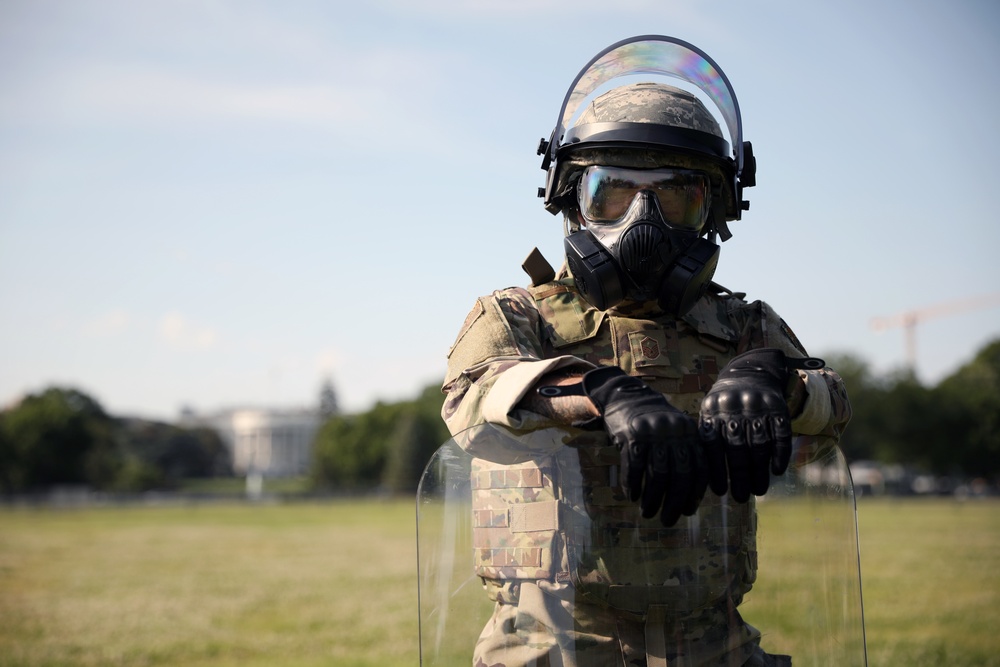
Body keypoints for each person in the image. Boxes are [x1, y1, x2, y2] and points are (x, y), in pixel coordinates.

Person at [440, 35, 851, 667]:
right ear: (569, 197)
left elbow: (833, 410)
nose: (643, 222)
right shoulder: (518, 316)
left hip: (714, 644)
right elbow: (472, 397)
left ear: (716, 208)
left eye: (676, 197)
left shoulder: (743, 324)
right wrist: (598, 391)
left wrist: (777, 380)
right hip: (555, 645)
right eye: (613, 193)